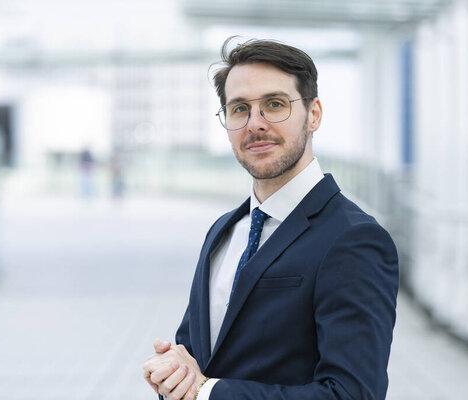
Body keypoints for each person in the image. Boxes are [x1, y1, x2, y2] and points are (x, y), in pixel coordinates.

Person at [143, 37, 399, 400]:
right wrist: (174, 375)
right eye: (239, 109)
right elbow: (198, 368)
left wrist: (211, 392)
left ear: (314, 115)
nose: (255, 123)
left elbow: (351, 394)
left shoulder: (354, 239)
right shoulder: (224, 231)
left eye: (274, 104)